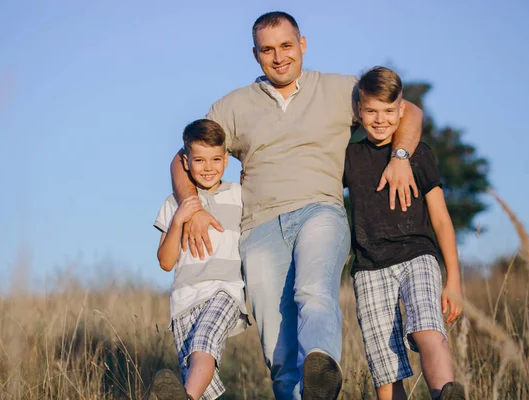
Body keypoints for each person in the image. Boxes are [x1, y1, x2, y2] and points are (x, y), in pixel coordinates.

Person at [171, 12, 424, 400]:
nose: (278, 57)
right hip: (259, 227)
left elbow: (408, 111)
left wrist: (401, 156)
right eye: (267, 49)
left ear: (302, 45)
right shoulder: (233, 106)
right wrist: (191, 204)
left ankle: (320, 368)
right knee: (276, 340)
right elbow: (182, 157)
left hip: (319, 210)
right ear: (255, 54)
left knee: (313, 289)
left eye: (286, 46)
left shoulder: (341, 90)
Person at [344, 66, 464, 400]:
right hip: (369, 268)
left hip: (417, 257)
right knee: (385, 366)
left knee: (429, 329)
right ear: (358, 111)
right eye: (371, 111)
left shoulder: (418, 154)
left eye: (387, 111)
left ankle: (445, 395)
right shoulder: (349, 158)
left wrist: (453, 281)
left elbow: (441, 220)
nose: (379, 119)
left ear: (402, 110)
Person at [152, 119, 248, 400]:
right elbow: (166, 262)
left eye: (216, 159)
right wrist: (179, 220)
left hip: (225, 291)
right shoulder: (173, 204)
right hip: (185, 300)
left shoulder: (239, 196)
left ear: (226, 160)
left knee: (203, 344)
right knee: (200, 380)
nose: (208, 167)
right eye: (200, 160)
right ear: (185, 161)